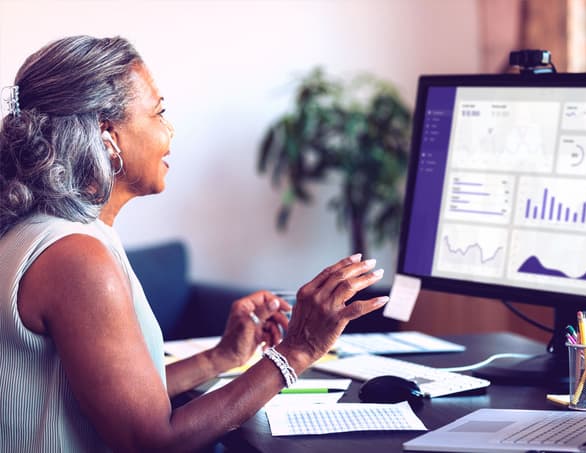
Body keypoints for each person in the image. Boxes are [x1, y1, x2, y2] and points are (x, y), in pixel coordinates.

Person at [0, 35, 388, 452]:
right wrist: (298, 351)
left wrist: (221, 357)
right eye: (158, 112)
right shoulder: (76, 258)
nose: (170, 130)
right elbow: (150, 441)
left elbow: (121, 399)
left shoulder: (39, 232)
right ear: (107, 134)